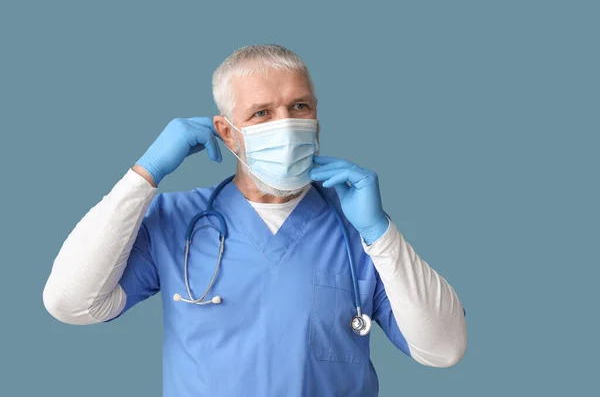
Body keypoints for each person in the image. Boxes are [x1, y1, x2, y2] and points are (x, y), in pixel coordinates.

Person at [43, 44, 467, 397]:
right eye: (261, 113)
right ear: (228, 133)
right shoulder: (177, 221)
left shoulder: (359, 228)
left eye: (298, 106)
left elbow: (443, 349)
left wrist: (380, 233)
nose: (285, 124)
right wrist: (146, 174)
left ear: (316, 114)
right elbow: (70, 303)